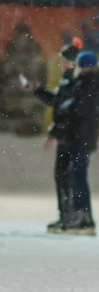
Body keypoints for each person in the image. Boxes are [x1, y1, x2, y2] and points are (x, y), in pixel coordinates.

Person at [27, 39, 81, 233]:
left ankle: (70, 216)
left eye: (62, 60)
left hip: (70, 137)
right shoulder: (67, 79)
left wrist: (53, 132)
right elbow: (58, 103)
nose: (59, 63)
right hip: (66, 136)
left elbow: (64, 110)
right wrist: (37, 91)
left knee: (66, 177)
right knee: (63, 177)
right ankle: (66, 215)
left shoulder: (73, 81)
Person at [62, 51, 99, 235]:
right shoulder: (89, 83)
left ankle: (84, 217)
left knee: (78, 175)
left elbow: (81, 111)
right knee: (77, 174)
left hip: (80, 137)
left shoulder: (87, 84)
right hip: (84, 136)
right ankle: (83, 216)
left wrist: (69, 109)